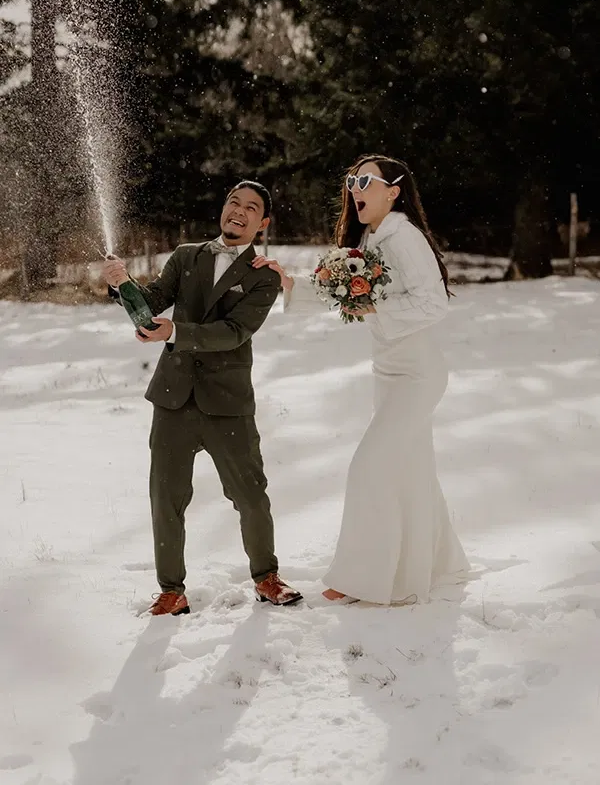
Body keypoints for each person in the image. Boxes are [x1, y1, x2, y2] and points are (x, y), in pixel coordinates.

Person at [254, 155, 468, 605]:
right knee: (410, 471)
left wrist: (374, 308)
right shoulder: (371, 236)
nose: (354, 188)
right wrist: (289, 282)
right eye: (351, 180)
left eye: (365, 180)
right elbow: (344, 291)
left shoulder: (404, 236)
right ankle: (434, 565)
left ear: (394, 190)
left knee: (369, 467)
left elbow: (433, 305)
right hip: (387, 372)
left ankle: (362, 579)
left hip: (418, 375)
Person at [103, 181, 302, 615]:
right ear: (223, 209)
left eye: (251, 208)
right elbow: (152, 304)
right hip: (173, 398)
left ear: (262, 223)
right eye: (234, 202)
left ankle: (266, 577)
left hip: (227, 403)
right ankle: (171, 591)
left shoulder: (264, 275)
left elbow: (235, 333)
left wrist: (174, 331)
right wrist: (124, 287)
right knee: (165, 498)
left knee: (251, 496)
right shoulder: (186, 255)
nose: (239, 211)